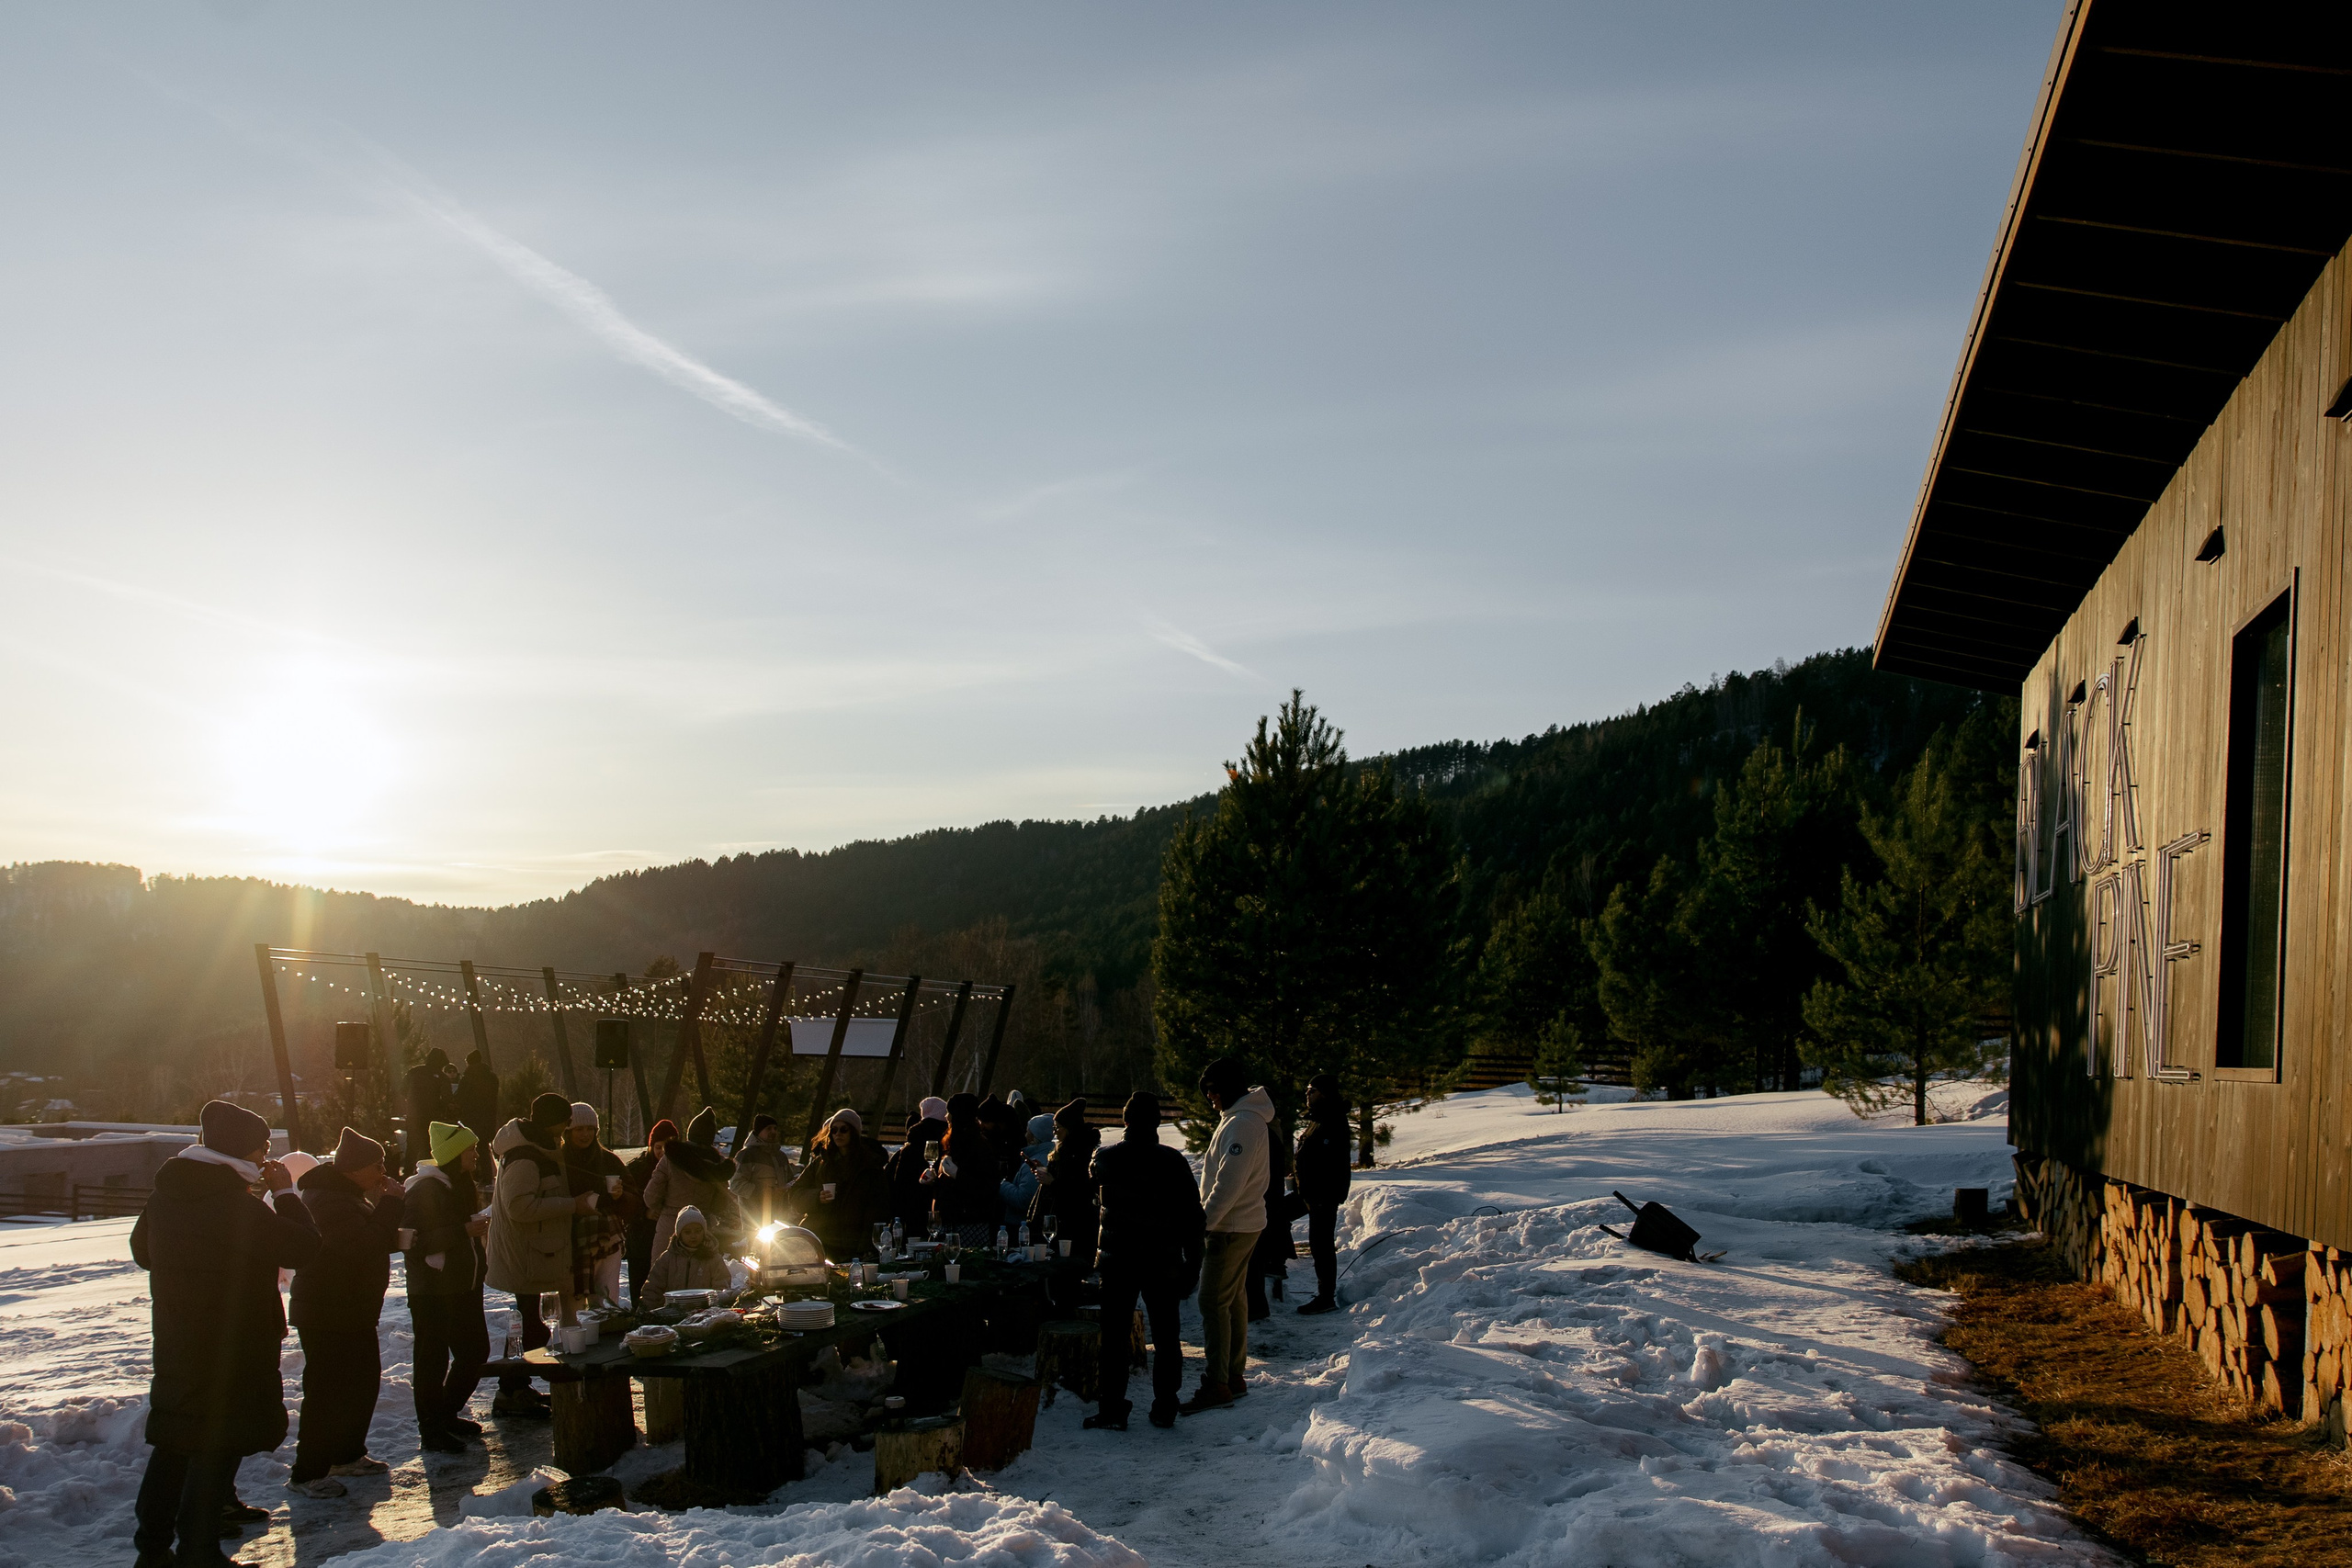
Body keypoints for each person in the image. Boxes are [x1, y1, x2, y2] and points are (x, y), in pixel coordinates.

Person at [131, 1100, 319, 1568]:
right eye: (260, 1150)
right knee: (216, 1447)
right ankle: (200, 1552)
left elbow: (142, 1251)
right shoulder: (234, 1206)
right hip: (234, 1343)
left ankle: (152, 1552)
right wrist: (287, 1194)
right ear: (240, 1153)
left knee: (175, 1442)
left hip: (177, 1336)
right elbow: (304, 1247)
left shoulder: (167, 1194)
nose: (264, 1159)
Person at [285, 1127, 403, 1496]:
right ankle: (308, 1473)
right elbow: (363, 1245)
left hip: (350, 1308)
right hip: (327, 1311)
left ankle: (347, 1454)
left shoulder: (347, 1194)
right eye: (377, 1164)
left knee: (362, 1381)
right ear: (354, 1169)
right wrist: (391, 1205)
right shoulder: (328, 1201)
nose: (383, 1170)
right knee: (327, 1392)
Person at [1086, 1092, 1204, 1432]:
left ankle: (1112, 1408)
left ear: (1124, 1121)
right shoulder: (1173, 1161)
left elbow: (1090, 1179)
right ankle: (1165, 1405)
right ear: (1156, 1123)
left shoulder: (1106, 1159)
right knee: (1167, 1338)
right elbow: (1193, 1220)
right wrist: (1193, 1264)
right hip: (1161, 1260)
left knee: (1114, 1339)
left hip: (1117, 1261)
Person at [483, 1094, 598, 1418]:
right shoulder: (525, 1157)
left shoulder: (537, 1148)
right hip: (525, 1254)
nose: (567, 1128)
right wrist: (571, 1205)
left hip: (534, 1250)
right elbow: (519, 1207)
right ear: (554, 1123)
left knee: (528, 1323)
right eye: (565, 1122)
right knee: (532, 1327)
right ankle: (509, 1392)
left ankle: (516, 1387)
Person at [1183, 1057, 1272, 1415]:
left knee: (1212, 1301)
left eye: (1212, 1092)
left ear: (1224, 1090)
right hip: (1240, 1223)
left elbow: (1229, 1183)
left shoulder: (1243, 1124)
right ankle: (1232, 1375)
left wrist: (1204, 1222)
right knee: (1233, 1299)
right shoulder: (1241, 1121)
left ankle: (1217, 1382)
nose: (1210, 1099)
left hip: (1230, 1227)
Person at [403, 1120, 491, 1456]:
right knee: (432, 1361)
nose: (476, 1153)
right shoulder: (426, 1189)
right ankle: (432, 1428)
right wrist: (463, 1231)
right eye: (471, 1148)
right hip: (433, 1291)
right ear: (455, 1153)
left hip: (463, 1285)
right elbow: (413, 1241)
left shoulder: (459, 1184)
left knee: (474, 1351)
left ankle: (444, 1413)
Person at [787, 1109, 888, 1261]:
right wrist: (817, 1197)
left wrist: (867, 1246)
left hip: (853, 1243)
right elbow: (794, 1194)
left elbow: (878, 1208)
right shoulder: (821, 1162)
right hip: (821, 1239)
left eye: (843, 1129)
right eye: (833, 1130)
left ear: (853, 1132)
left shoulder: (870, 1164)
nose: (838, 1134)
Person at [1029, 1099, 1099, 1311]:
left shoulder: (1080, 1154)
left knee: (1066, 1279)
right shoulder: (1065, 1150)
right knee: (1059, 1280)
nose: (1055, 1131)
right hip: (1061, 1223)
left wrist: (1054, 1182)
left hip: (1072, 1227)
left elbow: (1081, 1191)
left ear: (1069, 1128)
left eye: (1058, 1127)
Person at [644, 1107, 738, 1262]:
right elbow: (720, 1204)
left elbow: (651, 1197)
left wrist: (663, 1209)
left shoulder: (671, 1158)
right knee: (698, 1279)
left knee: (663, 1278)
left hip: (669, 1228)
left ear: (690, 1133)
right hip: (702, 1230)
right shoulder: (719, 1166)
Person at [1294, 1075, 1352, 1314]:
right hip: (1310, 1192)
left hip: (1322, 1194)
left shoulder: (1332, 1120)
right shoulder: (1319, 1119)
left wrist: (1322, 1192)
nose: (1307, 1094)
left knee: (1321, 1244)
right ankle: (1274, 1266)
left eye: (1313, 1090)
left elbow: (1332, 1162)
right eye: (1308, 1089)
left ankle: (1326, 1297)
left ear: (1325, 1093)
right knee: (1275, 1215)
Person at [562, 1103, 628, 1309]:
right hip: (571, 1240)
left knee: (607, 1301)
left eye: (590, 1129)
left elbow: (635, 1198)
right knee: (572, 1306)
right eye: (579, 1129)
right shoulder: (559, 1160)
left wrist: (620, 1195)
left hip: (608, 1237)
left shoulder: (609, 1160)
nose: (585, 1134)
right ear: (568, 1131)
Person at [920, 1092, 1001, 1247]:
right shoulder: (953, 1144)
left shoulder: (980, 1147)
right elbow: (951, 1189)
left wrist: (958, 1175)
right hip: (948, 1221)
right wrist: (935, 1181)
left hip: (969, 1225)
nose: (946, 1117)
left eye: (949, 1113)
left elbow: (988, 1188)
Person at [1246, 1108, 1296, 1322]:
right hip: (1269, 1197)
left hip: (1262, 1199)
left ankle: (1256, 1306)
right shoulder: (1271, 1130)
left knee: (1255, 1254)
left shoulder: (1262, 1132)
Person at [623, 1118, 675, 1310]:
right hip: (641, 1238)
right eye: (658, 1146)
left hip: (667, 1234)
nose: (662, 1152)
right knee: (641, 1286)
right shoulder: (637, 1169)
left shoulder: (679, 1168)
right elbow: (627, 1202)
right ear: (651, 1146)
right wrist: (644, 1213)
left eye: (667, 1147)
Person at [643, 1204, 734, 1299]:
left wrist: (715, 1303)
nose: (693, 1236)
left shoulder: (713, 1258)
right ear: (679, 1234)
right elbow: (653, 1286)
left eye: (698, 1231)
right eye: (687, 1232)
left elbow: (722, 1286)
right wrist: (649, 1308)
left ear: (704, 1232)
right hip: (673, 1309)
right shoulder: (668, 1258)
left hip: (704, 1310)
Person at [886, 1100, 947, 1230]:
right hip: (937, 1211)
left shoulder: (909, 1147)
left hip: (909, 1214)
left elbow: (896, 1185)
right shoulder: (945, 1145)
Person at [731, 1115, 794, 1227]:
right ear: (759, 1131)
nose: (773, 1131)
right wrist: (766, 1193)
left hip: (779, 1217)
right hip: (754, 1218)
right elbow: (736, 1184)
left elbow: (790, 1179)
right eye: (768, 1129)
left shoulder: (781, 1156)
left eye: (775, 1128)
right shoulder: (746, 1155)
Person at [401, 1049, 455, 1178]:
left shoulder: (414, 1071)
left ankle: (408, 1173)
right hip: (432, 1117)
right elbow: (447, 1098)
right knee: (429, 1146)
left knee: (412, 1145)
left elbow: (402, 1090)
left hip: (413, 1115)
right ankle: (426, 1174)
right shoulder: (442, 1077)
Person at [455, 1051, 500, 1151]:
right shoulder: (492, 1077)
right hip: (489, 1118)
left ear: (469, 1063)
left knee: (474, 1150)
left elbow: (460, 1098)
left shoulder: (466, 1079)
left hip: (471, 1120)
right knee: (485, 1149)